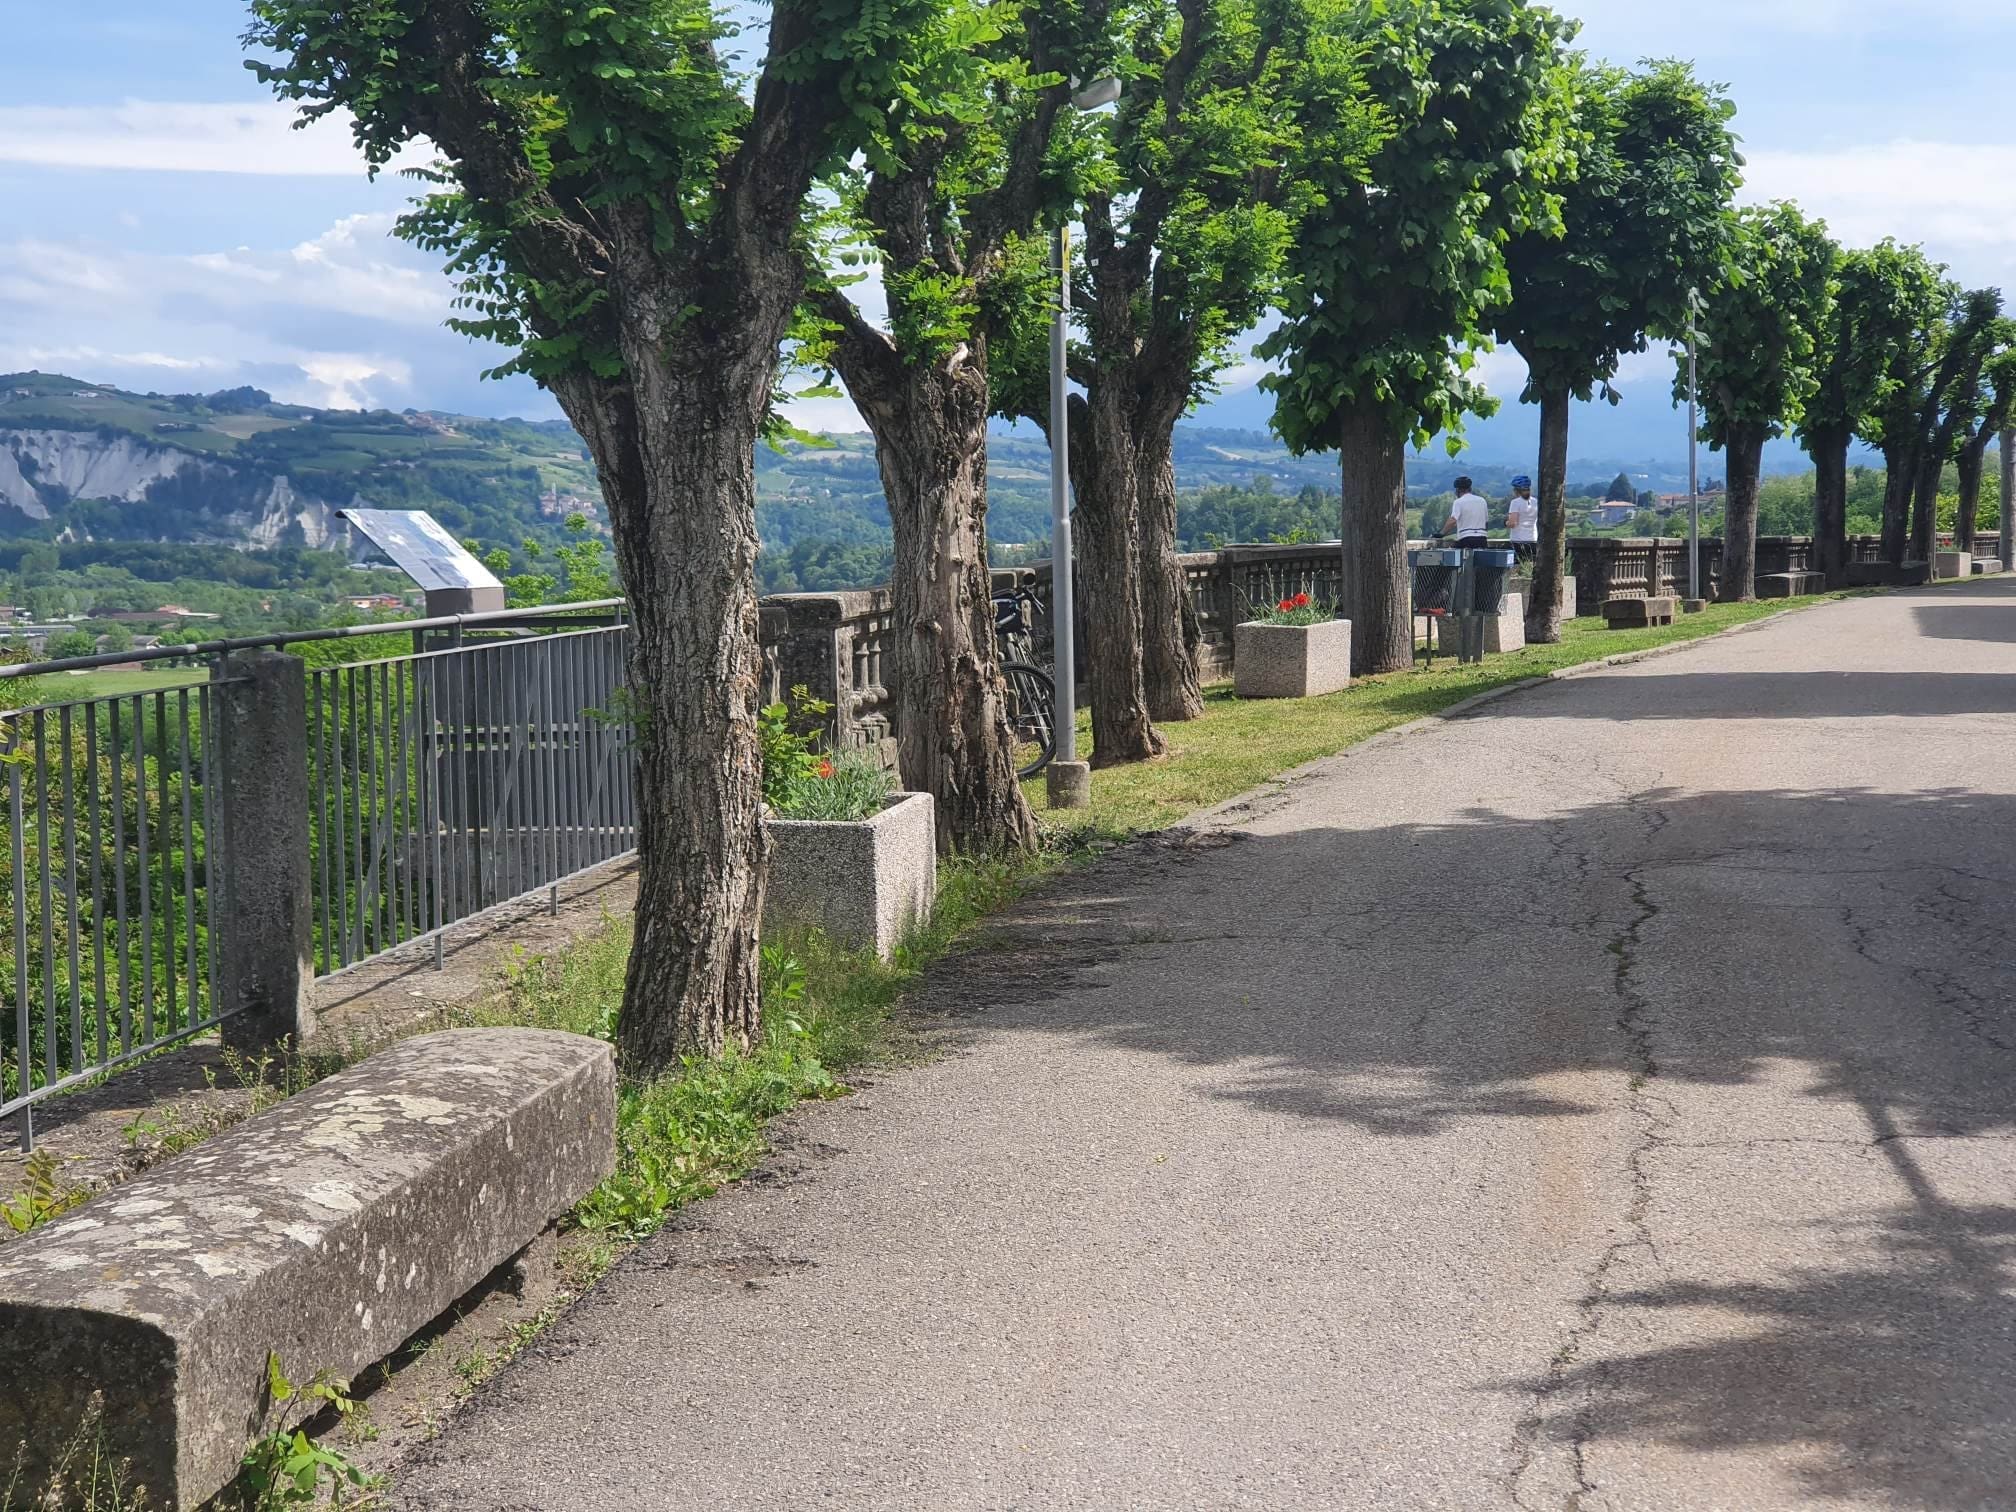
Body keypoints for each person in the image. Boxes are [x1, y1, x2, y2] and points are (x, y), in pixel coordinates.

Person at [1442, 476, 1491, 549]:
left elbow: (1453, 520)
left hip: (1466, 538)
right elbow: (1486, 522)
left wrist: (1442, 533)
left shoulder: (1458, 502)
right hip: (1482, 538)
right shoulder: (1482, 500)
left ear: (1458, 490)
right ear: (1470, 488)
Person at [1506, 475, 1539, 562]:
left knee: (1517, 566)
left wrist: (1506, 522)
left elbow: (1513, 523)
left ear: (1517, 490)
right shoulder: (1536, 502)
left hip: (1518, 541)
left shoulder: (1515, 502)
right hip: (1533, 539)